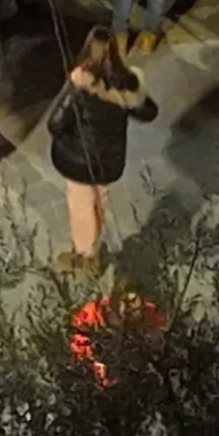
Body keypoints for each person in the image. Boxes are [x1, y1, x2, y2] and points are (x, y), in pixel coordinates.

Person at [49, 29, 155, 263]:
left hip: (79, 160)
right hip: (110, 160)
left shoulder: (81, 81)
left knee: (81, 207)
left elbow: (55, 123)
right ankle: (94, 238)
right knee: (99, 199)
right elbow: (148, 113)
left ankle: (85, 255)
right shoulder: (129, 82)